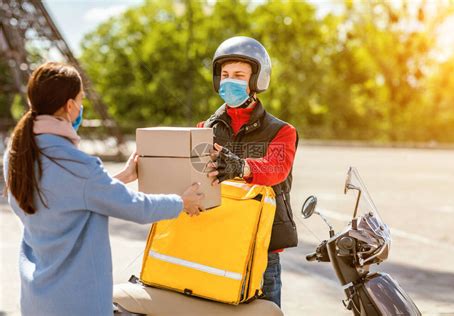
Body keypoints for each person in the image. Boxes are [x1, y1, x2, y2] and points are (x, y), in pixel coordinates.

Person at [2, 62, 210, 315]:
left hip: (35, 300)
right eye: (80, 100)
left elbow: (66, 197)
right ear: (70, 106)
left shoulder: (16, 155)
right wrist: (181, 201)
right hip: (77, 304)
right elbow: (137, 208)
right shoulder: (78, 166)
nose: (80, 107)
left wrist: (121, 176)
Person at [199, 36, 299, 308]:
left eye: (239, 75)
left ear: (257, 80)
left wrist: (241, 166)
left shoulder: (281, 131)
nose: (229, 81)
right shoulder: (204, 129)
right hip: (216, 243)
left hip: (262, 250)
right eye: (225, 74)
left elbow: (276, 169)